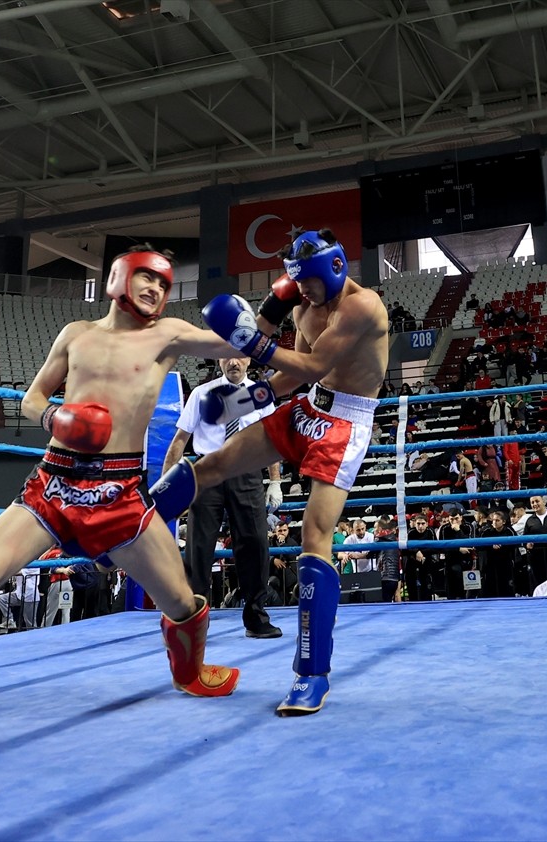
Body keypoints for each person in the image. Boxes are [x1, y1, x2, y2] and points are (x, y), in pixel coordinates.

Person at [0, 246, 243, 762]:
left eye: (164, 283)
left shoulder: (168, 335)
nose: (156, 290)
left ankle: (190, 671)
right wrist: (55, 420)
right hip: (55, 484)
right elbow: (32, 397)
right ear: (118, 279)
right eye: (147, 279)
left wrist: (274, 306)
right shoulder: (76, 334)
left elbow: (235, 343)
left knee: (182, 603)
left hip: (121, 496)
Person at [178, 228, 389, 715]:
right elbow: (296, 373)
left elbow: (314, 363)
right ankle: (136, 521)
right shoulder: (296, 297)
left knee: (315, 538)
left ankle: (312, 674)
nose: (307, 290)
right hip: (306, 407)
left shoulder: (364, 307)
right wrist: (256, 394)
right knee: (211, 465)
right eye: (300, 282)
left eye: (312, 280)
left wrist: (252, 343)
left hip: (346, 421)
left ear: (334, 267)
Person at [164, 356, 282, 638]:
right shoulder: (202, 393)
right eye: (227, 356)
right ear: (219, 360)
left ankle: (256, 618)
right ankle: (194, 621)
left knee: (255, 544)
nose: (233, 362)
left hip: (248, 470)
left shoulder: (261, 394)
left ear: (248, 359)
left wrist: (275, 480)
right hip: (208, 470)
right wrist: (168, 484)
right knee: (198, 547)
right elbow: (181, 439)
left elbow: (272, 438)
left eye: (239, 356)